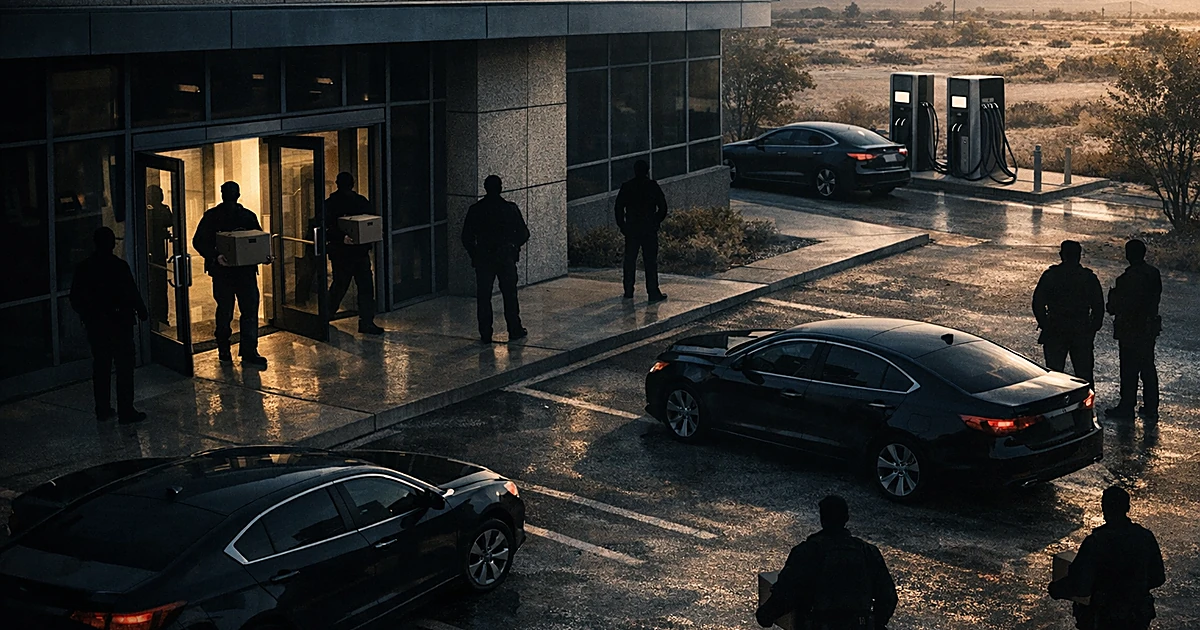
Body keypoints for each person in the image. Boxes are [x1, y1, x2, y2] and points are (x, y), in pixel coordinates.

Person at [757, 495, 897, 630]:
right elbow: (888, 597)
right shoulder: (868, 552)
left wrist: (765, 616)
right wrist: (875, 623)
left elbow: (786, 594)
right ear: (846, 519)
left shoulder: (806, 552)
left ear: (822, 519)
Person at [1049, 486, 1165, 630]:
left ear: (1104, 509)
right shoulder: (1145, 537)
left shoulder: (1096, 542)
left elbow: (1081, 586)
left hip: (1105, 618)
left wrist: (1056, 589)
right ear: (1127, 507)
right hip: (1136, 617)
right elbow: (1158, 577)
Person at [69, 227, 148, 424]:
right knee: (124, 369)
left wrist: (88, 315)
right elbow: (131, 292)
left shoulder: (84, 268)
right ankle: (126, 410)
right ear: (112, 243)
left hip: (97, 326)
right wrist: (142, 311)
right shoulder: (119, 266)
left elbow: (76, 298)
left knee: (102, 368)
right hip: (120, 324)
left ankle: (102, 409)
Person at [192, 181, 270, 368]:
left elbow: (257, 241)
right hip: (231, 273)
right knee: (237, 311)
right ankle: (239, 350)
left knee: (232, 311)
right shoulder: (239, 216)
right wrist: (215, 256)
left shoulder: (222, 216)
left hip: (236, 272)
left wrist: (262, 255)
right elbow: (199, 242)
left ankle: (231, 350)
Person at [461, 175, 530, 344]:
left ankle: (486, 333)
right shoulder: (509, 209)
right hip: (505, 258)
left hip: (484, 258)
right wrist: (513, 246)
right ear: (500, 188)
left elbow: (466, 237)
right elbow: (524, 233)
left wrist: (475, 254)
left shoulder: (476, 210)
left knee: (484, 297)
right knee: (510, 295)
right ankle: (514, 329)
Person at [1032, 240, 1105, 384]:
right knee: (1084, 375)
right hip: (1080, 329)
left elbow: (1038, 303)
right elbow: (1098, 307)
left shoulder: (1051, 275)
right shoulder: (1088, 278)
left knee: (1053, 375)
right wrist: (1091, 329)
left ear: (1061, 255)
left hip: (1056, 328)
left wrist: (1045, 324)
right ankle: (1086, 405)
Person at [1104, 239, 1162, 420]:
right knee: (1147, 367)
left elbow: (1116, 307)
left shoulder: (1126, 279)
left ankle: (1127, 406)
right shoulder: (1153, 274)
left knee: (1128, 369)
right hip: (1148, 328)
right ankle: (1151, 406)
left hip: (1130, 329)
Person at [325, 172, 384, 335]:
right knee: (364, 287)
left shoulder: (330, 204)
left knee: (339, 285)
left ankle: (326, 315)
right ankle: (366, 322)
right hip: (358, 252)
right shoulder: (360, 202)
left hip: (342, 253)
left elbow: (325, 227)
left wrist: (339, 238)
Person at [614, 159, 668, 303]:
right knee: (650, 262)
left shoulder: (627, 187)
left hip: (632, 229)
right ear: (647, 171)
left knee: (630, 260)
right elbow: (663, 208)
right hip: (649, 229)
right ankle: (653, 292)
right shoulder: (652, 186)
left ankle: (628, 291)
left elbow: (618, 208)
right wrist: (655, 221)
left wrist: (623, 226)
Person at [145, 185, 173, 326]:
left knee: (158, 286)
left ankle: (159, 316)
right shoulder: (159, 209)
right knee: (158, 287)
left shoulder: (151, 210)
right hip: (155, 253)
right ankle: (161, 317)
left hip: (155, 253)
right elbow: (170, 221)